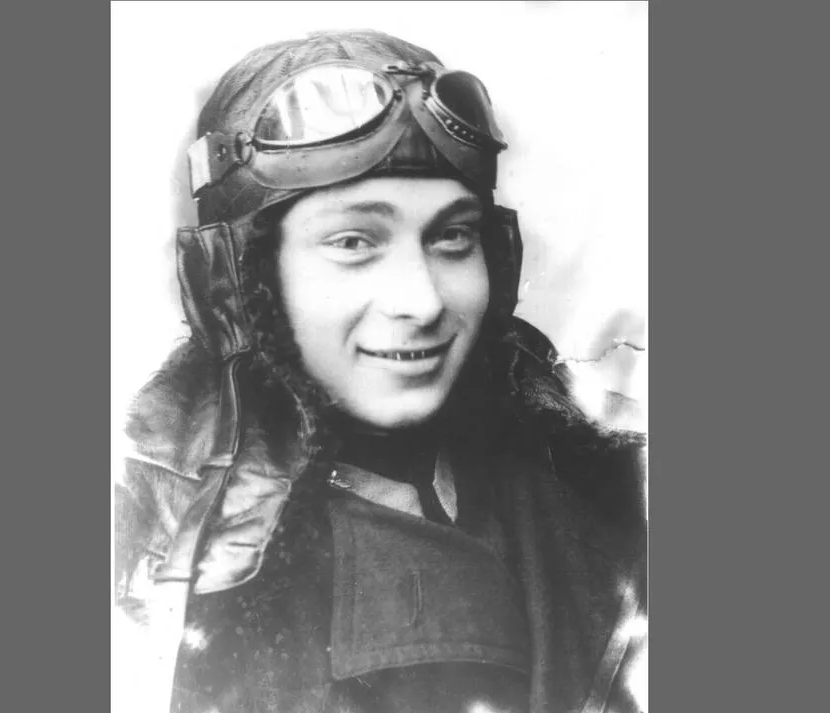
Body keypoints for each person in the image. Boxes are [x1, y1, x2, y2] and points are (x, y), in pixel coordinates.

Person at [115, 30, 647, 713]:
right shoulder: (131, 532)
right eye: (353, 242)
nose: (422, 301)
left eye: (452, 236)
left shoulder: (610, 485)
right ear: (243, 282)